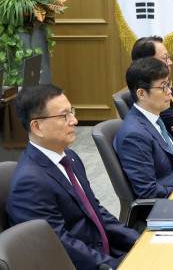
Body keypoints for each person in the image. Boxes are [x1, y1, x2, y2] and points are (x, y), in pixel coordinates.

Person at [7, 84, 139, 269]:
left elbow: (95, 211)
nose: (74, 121)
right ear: (37, 127)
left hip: (105, 253)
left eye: (71, 112)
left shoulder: (69, 157)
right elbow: (59, 245)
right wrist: (115, 265)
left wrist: (138, 241)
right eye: (64, 116)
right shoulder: (30, 183)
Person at [115, 58, 173, 199]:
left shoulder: (154, 118)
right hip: (171, 200)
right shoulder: (134, 135)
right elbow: (148, 191)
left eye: (168, 84)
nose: (169, 91)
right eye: (163, 87)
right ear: (142, 94)